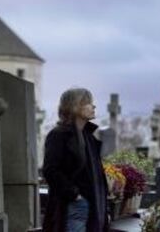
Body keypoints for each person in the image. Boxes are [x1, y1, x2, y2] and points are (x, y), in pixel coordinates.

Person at [42, 88, 109, 232]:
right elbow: (50, 170)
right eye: (88, 103)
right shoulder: (59, 135)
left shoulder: (89, 137)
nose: (93, 106)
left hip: (94, 205)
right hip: (73, 207)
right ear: (74, 106)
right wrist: (75, 195)